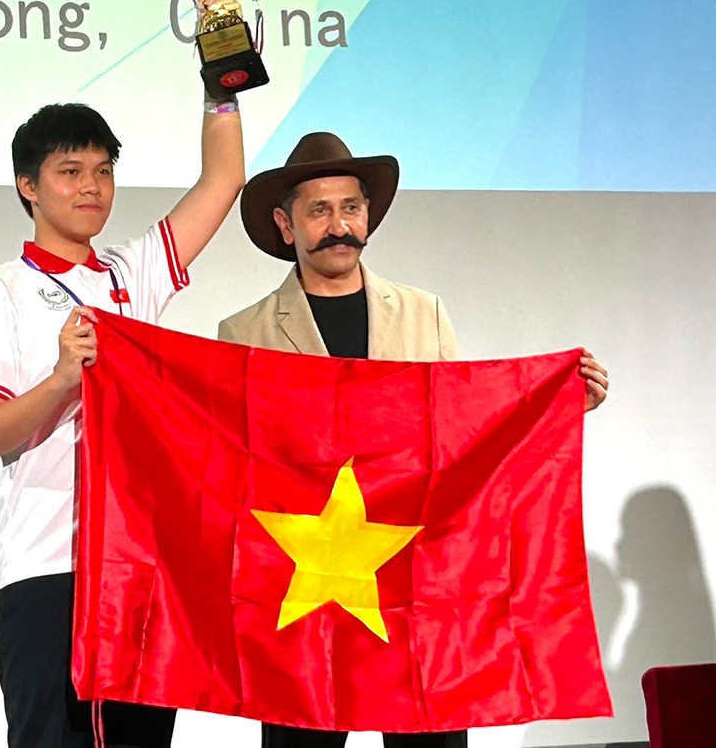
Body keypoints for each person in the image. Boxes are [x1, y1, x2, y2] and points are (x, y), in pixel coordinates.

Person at [217, 131, 609, 748]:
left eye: (351, 207)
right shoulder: (244, 331)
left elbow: (467, 433)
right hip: (305, 582)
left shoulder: (424, 312)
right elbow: (231, 460)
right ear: (285, 225)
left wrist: (557, 409)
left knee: (427, 733)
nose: (339, 226)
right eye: (319, 211)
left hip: (418, 578)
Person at [0, 0, 247, 748]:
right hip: (48, 572)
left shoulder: (131, 273)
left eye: (104, 170)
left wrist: (221, 79)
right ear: (28, 185)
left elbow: (222, 184)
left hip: (141, 567)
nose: (91, 187)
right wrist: (61, 380)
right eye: (70, 170)